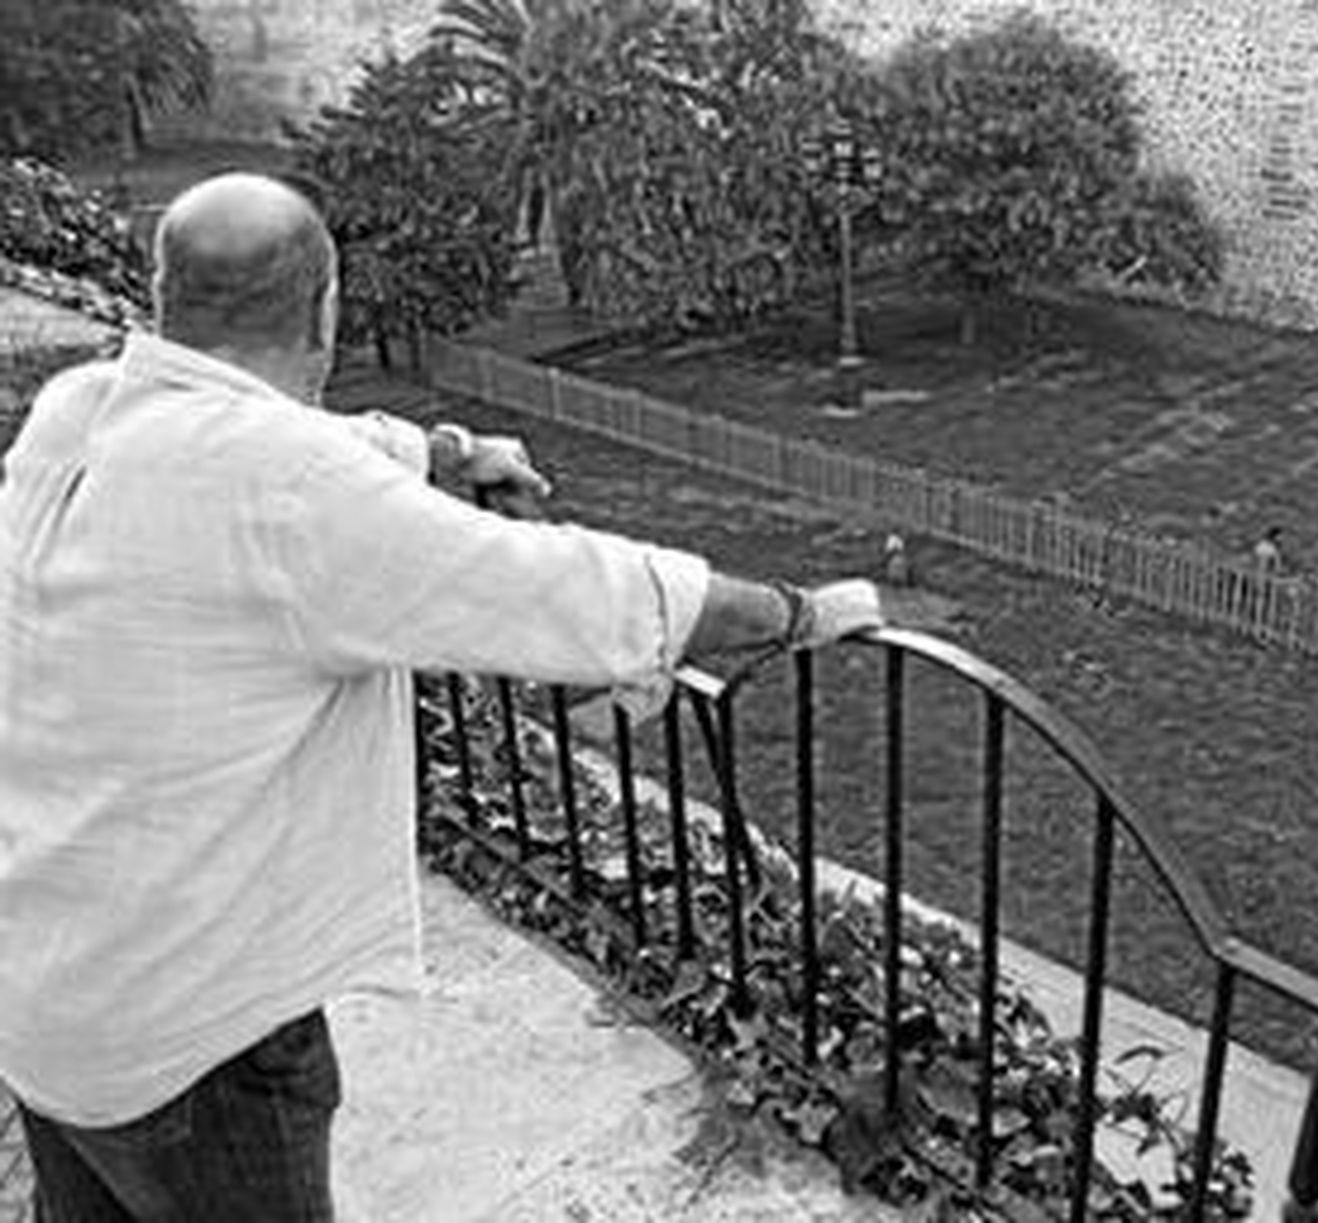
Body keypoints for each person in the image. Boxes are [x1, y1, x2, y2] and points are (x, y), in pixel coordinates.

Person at [0, 173, 886, 1221]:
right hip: (191, 1041)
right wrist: (796, 609)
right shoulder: (280, 484)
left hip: (44, 990)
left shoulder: (80, 409)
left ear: (161, 298)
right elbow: (565, 588)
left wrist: (448, 453)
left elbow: (294, 447)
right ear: (325, 309)